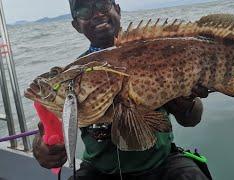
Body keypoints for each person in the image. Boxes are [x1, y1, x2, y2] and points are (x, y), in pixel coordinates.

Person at [32, 0, 212, 179]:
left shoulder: (157, 52)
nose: (96, 13)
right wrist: (43, 149)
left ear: (117, 9)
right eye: (84, 9)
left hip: (162, 163)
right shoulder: (73, 76)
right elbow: (47, 128)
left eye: (102, 4)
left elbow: (192, 119)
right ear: (76, 25)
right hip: (99, 171)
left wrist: (186, 100)